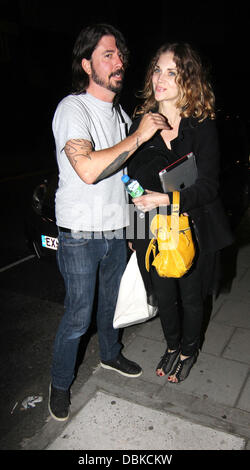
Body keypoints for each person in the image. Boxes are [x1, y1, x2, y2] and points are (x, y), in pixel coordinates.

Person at [49, 23, 169, 421]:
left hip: (117, 231)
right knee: (78, 315)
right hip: (81, 234)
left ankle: (111, 355)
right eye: (108, 55)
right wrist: (138, 135)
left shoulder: (117, 113)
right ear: (87, 65)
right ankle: (60, 382)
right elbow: (86, 170)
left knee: (112, 304)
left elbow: (121, 175)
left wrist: (133, 230)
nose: (119, 61)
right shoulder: (72, 109)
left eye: (120, 54)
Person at [127, 42, 233, 384]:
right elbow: (128, 182)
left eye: (172, 72)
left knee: (190, 296)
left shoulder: (201, 125)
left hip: (194, 227)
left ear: (187, 80)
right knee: (163, 295)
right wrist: (133, 229)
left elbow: (209, 187)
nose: (161, 78)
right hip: (153, 229)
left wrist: (166, 200)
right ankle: (171, 346)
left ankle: (188, 351)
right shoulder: (141, 124)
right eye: (157, 69)